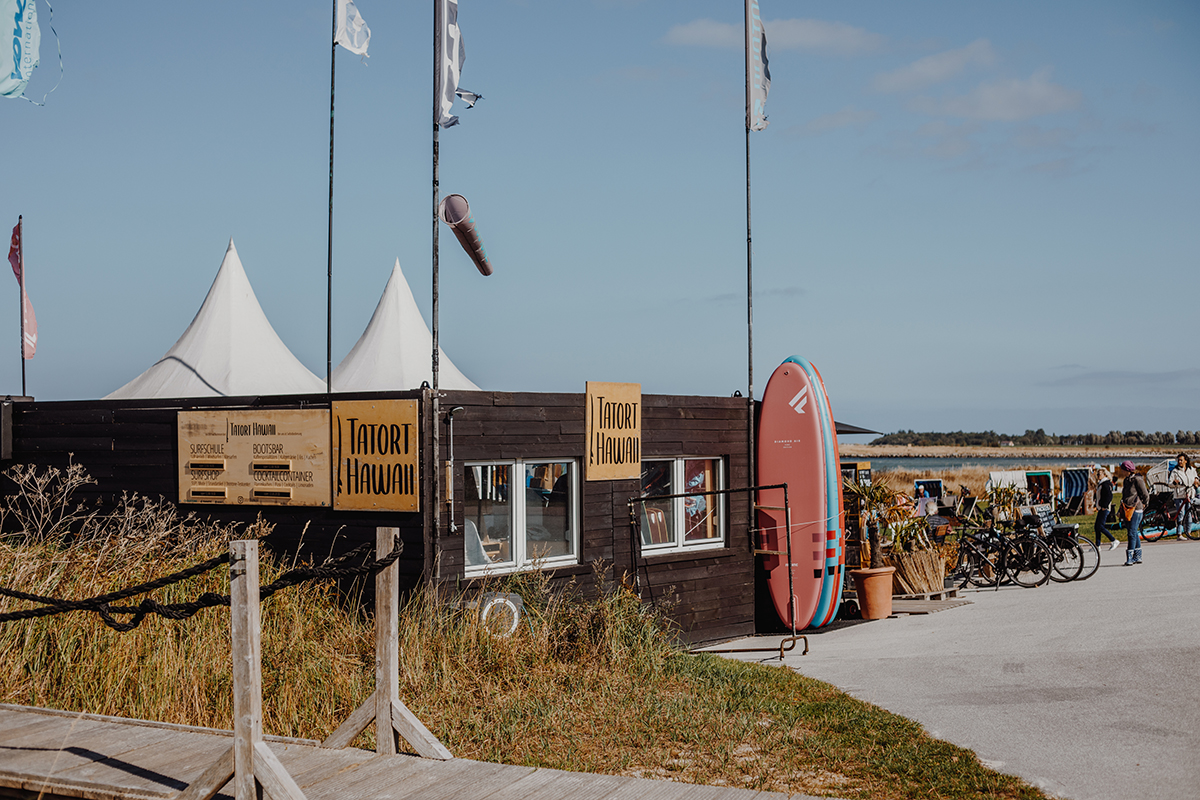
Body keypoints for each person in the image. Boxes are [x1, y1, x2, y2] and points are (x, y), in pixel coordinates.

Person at [1118, 460, 1149, 565]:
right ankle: (1138, 556)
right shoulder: (1126, 480)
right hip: (1127, 508)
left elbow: (1145, 493)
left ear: (1127, 470)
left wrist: (1144, 504)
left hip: (1136, 509)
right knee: (1134, 532)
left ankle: (1130, 557)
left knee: (1131, 533)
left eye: (1122, 469)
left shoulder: (1137, 479)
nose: (1121, 471)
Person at [1167, 453, 1198, 539]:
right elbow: (1169, 484)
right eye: (1178, 460)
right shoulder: (1175, 471)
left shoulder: (1192, 469)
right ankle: (1179, 534)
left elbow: (1196, 478)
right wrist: (1174, 483)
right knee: (1180, 514)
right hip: (1179, 494)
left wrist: (1196, 481)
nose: (1179, 462)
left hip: (1189, 494)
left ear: (1186, 461)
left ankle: (1188, 533)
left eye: (1181, 460)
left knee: (1189, 513)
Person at [1093, 468, 1120, 550]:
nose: (1098, 476)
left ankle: (1114, 540)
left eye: (1099, 474)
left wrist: (1104, 506)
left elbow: (1109, 496)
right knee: (1097, 526)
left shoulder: (1105, 484)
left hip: (1104, 508)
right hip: (1100, 508)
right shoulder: (1101, 484)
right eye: (1097, 474)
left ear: (1104, 474)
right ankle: (1097, 546)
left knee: (1100, 526)